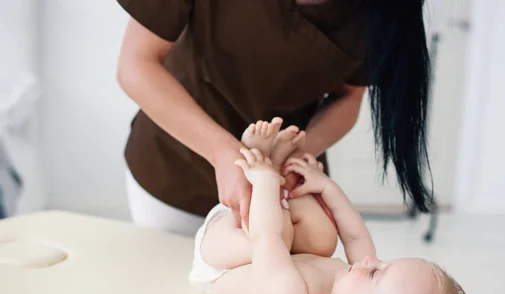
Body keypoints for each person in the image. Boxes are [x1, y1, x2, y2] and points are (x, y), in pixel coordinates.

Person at [116, 0, 433, 236]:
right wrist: (222, 152)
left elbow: (349, 97)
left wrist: (301, 149)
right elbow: (135, 65)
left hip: (283, 193)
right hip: (173, 172)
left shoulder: (378, 12)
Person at [189, 118, 474, 294]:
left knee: (281, 236)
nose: (370, 262)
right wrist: (326, 187)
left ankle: (261, 169)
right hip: (273, 247)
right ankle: (274, 174)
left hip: (219, 263)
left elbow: (268, 238)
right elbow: (354, 236)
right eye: (385, 263)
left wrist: (263, 182)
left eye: (376, 274)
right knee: (323, 235)